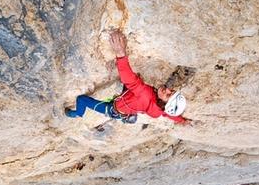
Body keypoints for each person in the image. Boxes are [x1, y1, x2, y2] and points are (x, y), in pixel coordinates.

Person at [64, 30, 192, 126]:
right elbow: (169, 115)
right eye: (172, 91)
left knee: (81, 100)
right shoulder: (160, 110)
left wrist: (120, 53)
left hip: (112, 109)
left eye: (168, 95)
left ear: (163, 103)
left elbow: (129, 79)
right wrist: (183, 121)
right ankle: (128, 114)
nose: (167, 89)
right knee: (134, 83)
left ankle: (77, 114)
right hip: (129, 106)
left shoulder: (145, 93)